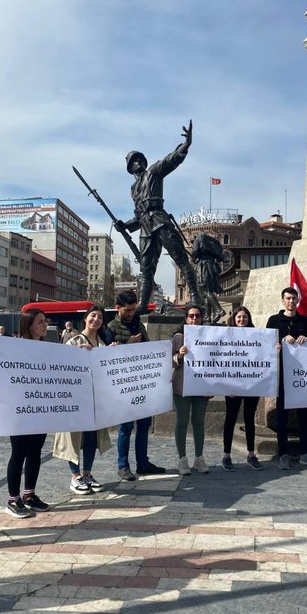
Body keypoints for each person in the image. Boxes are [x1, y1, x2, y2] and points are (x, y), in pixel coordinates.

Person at [114, 120, 201, 315]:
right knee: (146, 269)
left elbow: (171, 160)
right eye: (134, 161)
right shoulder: (133, 189)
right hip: (146, 227)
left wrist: (186, 145)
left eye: (140, 159)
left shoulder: (153, 173)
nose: (138, 162)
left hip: (160, 221)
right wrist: (124, 225)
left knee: (180, 259)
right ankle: (143, 305)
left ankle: (196, 297)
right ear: (130, 168)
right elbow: (138, 216)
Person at [0, 310, 52, 517]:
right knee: (19, 452)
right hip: (19, 409)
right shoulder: (12, 347)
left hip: (40, 408)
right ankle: (13, 498)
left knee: (35, 451)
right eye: (40, 322)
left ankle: (29, 495)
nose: (44, 325)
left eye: (45, 321)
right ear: (28, 325)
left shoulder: (49, 349)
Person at [107, 289, 166, 481]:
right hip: (124, 385)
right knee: (126, 427)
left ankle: (143, 463)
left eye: (133, 309)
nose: (131, 313)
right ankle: (123, 465)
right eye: (128, 310)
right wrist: (128, 344)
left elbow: (148, 349)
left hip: (142, 383)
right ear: (118, 308)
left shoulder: (139, 324)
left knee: (144, 424)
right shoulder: (111, 327)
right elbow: (107, 358)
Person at [52, 305, 111, 492]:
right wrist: (78, 353)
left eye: (100, 317)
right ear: (85, 318)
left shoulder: (103, 343)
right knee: (74, 437)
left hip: (94, 399)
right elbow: (61, 366)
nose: (96, 320)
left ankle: (87, 473)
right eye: (93, 316)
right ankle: (75, 476)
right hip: (75, 398)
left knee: (92, 437)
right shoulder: (74, 341)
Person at [266, 287, 307, 470]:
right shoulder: (274, 321)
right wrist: (280, 341)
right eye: (288, 298)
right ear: (282, 301)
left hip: (302, 376)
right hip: (282, 375)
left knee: (304, 416)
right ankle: (283, 454)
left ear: (297, 301)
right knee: (282, 416)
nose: (291, 301)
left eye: (294, 298)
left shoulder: (305, 321)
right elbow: (267, 344)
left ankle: (305, 453)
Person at [221, 306, 263, 471]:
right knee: (230, 419)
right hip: (233, 385)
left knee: (249, 419)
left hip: (252, 383)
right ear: (234, 319)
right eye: (239, 317)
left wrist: (274, 349)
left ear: (249, 319)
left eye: (245, 317)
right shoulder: (227, 336)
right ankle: (226, 455)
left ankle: (251, 455)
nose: (242, 320)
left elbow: (263, 355)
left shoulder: (257, 335)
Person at [171, 304, 210, 475]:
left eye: (197, 316)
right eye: (191, 316)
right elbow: (169, 361)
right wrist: (179, 355)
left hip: (201, 385)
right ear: (186, 319)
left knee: (199, 421)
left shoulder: (209, 336)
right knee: (182, 421)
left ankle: (199, 458)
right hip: (181, 386)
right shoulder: (178, 337)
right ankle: (182, 459)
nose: (194, 319)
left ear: (202, 318)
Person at [191, 232, 225, 323]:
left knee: (205, 290)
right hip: (213, 267)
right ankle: (207, 316)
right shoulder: (213, 242)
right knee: (205, 293)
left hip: (203, 266)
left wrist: (194, 259)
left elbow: (194, 252)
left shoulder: (198, 239)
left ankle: (218, 310)